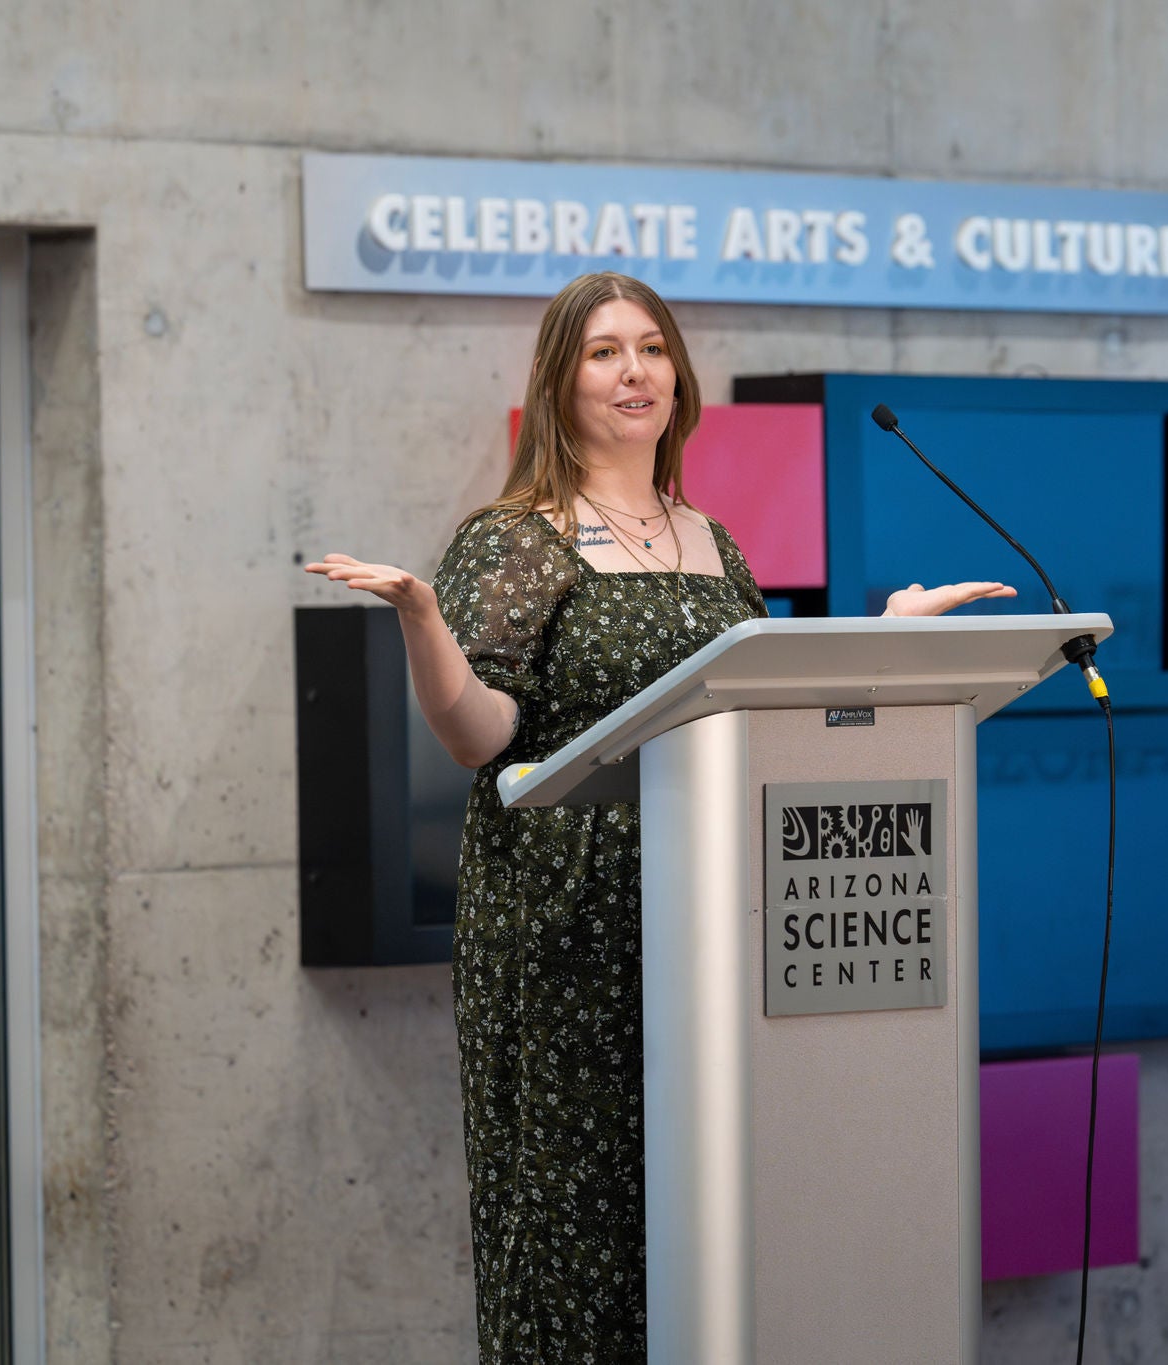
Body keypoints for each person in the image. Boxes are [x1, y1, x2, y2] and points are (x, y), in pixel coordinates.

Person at [307, 271, 1012, 1361]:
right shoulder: (513, 538)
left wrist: (879, 636)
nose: (632, 372)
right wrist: (420, 620)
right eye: (601, 353)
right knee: (576, 1219)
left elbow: (751, 704)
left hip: (707, 918)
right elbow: (480, 735)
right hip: (565, 924)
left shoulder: (713, 541)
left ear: (678, 378)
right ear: (558, 379)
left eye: (650, 348)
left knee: (707, 1210)